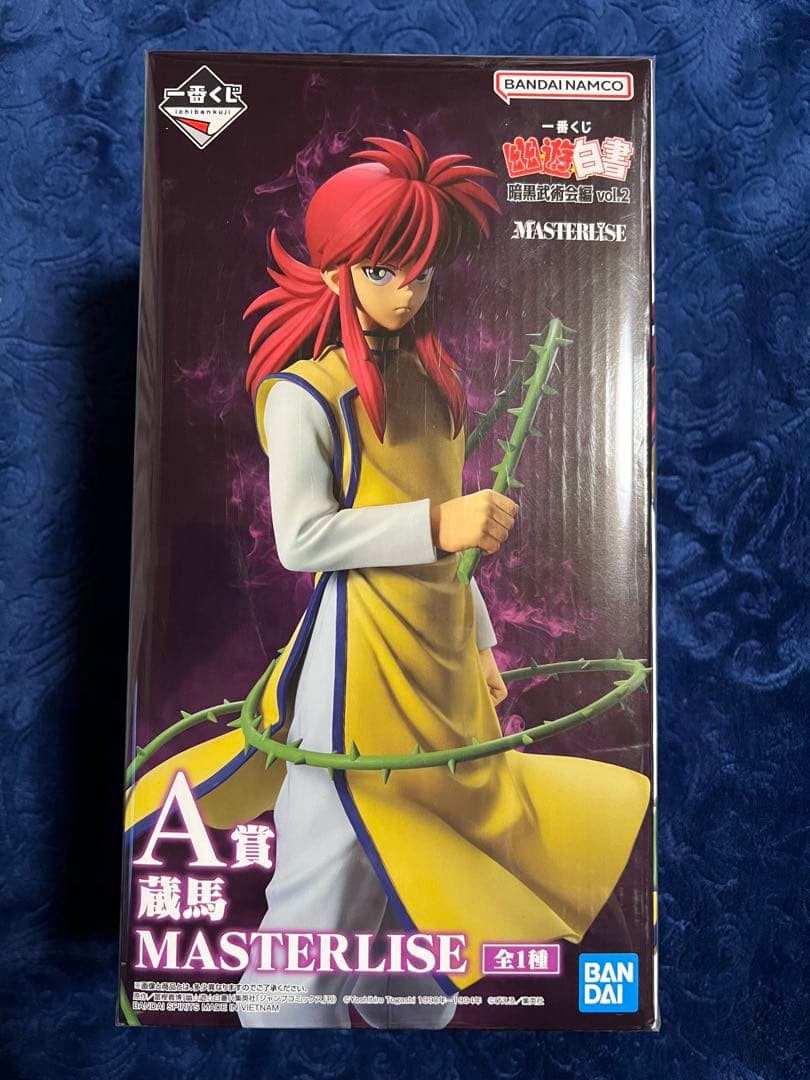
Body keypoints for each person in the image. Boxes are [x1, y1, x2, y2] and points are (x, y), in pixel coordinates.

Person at [127, 131, 650, 1030]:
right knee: (329, 872)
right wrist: (438, 522)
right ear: (338, 269)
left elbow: (449, 559)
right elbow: (301, 539)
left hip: (440, 671)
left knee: (422, 876)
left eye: (421, 271)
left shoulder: (437, 389)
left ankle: (404, 1015)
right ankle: (285, 1031)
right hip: (357, 673)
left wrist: (479, 645)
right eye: (383, 270)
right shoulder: (305, 394)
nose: (406, 289)